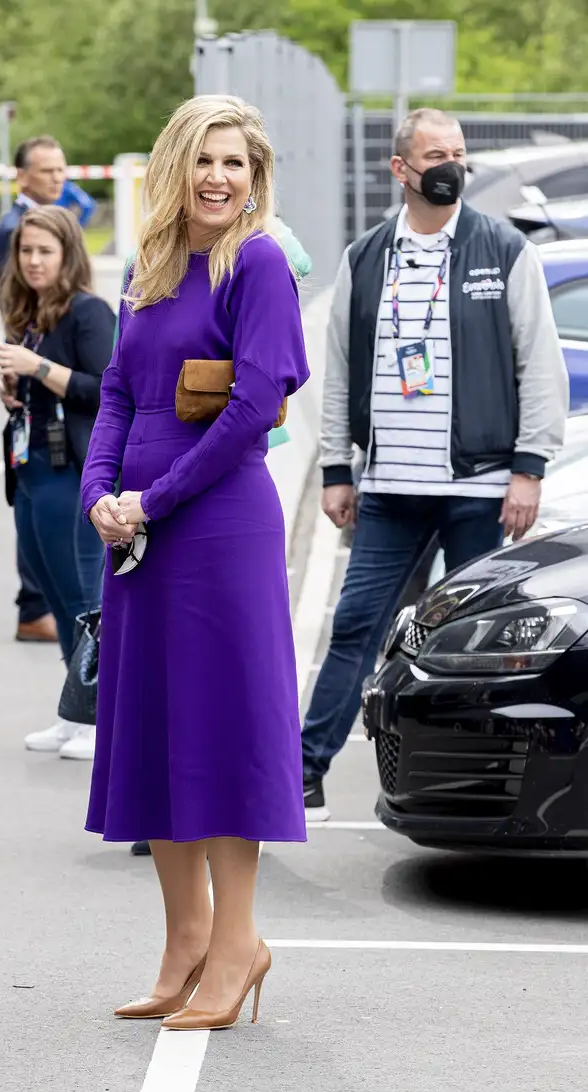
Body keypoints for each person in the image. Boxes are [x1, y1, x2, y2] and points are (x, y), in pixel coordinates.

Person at [81, 94, 309, 1030]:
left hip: (216, 530)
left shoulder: (256, 262)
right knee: (155, 730)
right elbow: (118, 393)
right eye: (204, 160)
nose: (218, 178)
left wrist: (153, 498)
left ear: (254, 179)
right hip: (139, 535)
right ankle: (187, 939)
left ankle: (238, 944)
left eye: (235, 164)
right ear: (175, 168)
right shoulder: (151, 265)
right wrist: (98, 491)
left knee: (219, 731)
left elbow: (254, 407)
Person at [301, 107, 569, 822]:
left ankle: (472, 787)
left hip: (478, 489)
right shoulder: (366, 258)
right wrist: (336, 468)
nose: (451, 165)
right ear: (401, 169)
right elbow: (339, 369)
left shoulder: (502, 249)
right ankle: (305, 769)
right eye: (435, 154)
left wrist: (529, 469)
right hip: (389, 489)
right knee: (356, 626)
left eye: (458, 152)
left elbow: (538, 365)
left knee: (475, 645)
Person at [0, 206, 116, 757]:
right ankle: (74, 712)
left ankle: (100, 719)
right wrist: (13, 388)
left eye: (45, 251)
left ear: (68, 255)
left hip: (72, 473)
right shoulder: (30, 313)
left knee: (82, 596)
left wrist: (36, 367)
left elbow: (106, 390)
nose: (34, 261)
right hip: (31, 469)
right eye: (26, 251)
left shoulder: (88, 312)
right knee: (52, 587)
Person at [0, 136, 68, 647]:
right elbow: (15, 304)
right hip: (31, 374)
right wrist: (23, 365)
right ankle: (35, 605)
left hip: (35, 368)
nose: (58, 179)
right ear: (22, 176)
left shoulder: (44, 220)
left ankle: (39, 603)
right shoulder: (14, 229)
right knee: (35, 486)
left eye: (62, 170)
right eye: (46, 171)